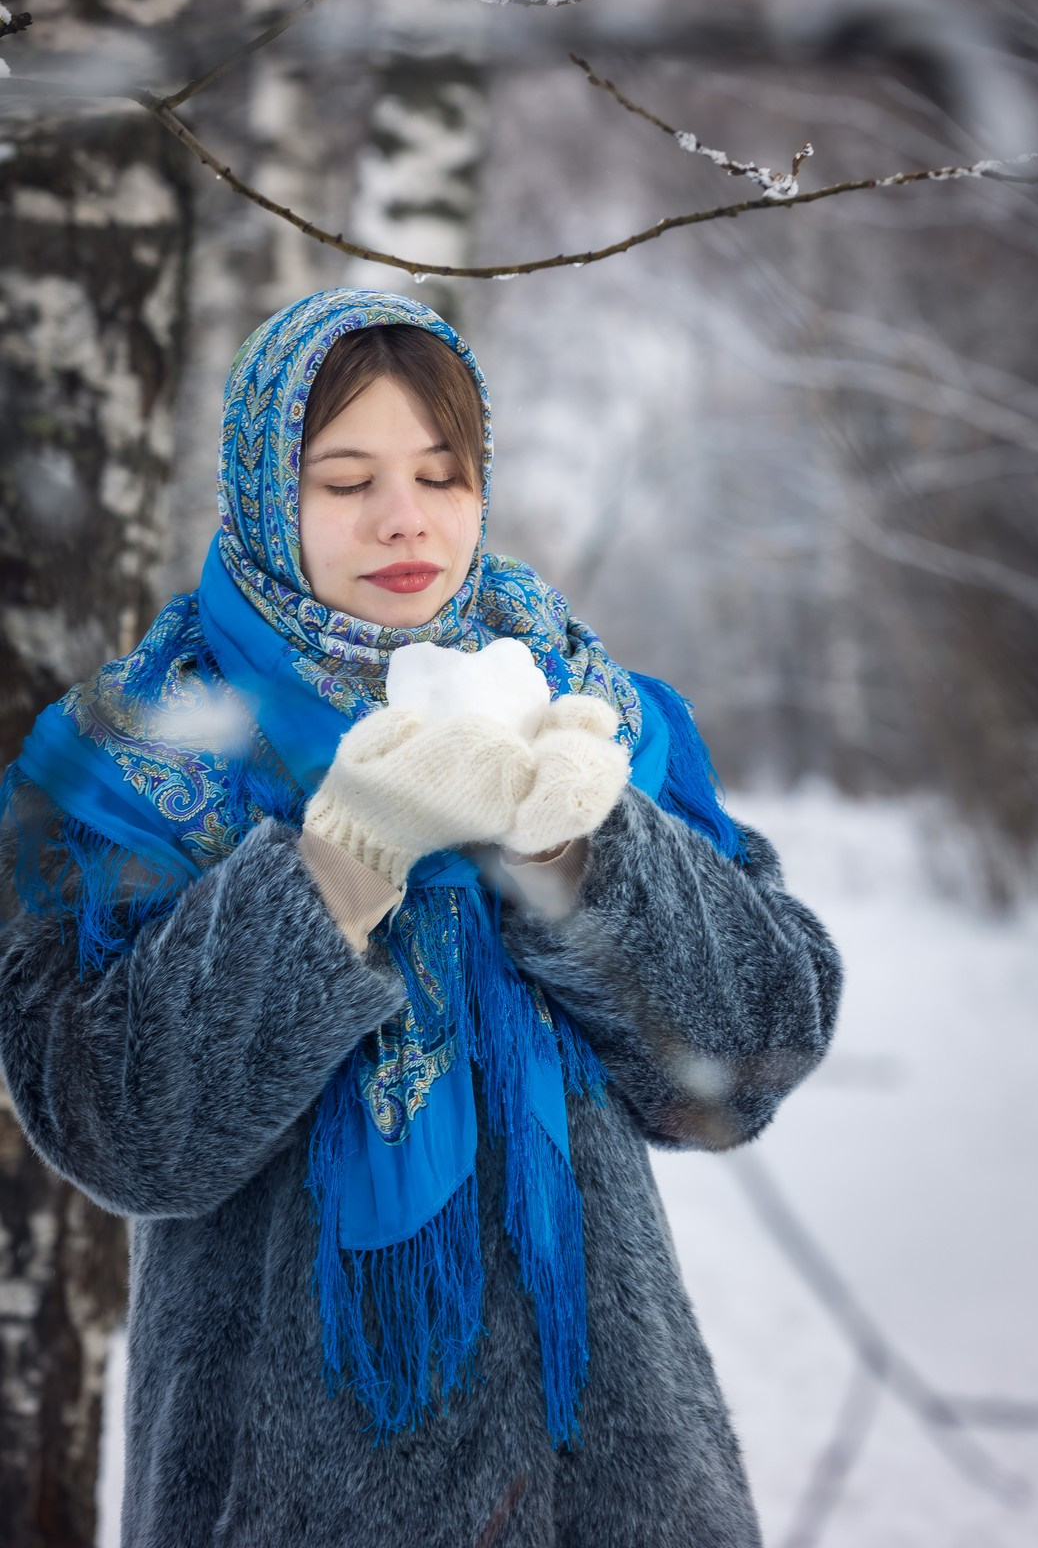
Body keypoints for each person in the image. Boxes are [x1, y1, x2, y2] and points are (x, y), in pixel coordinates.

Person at [0, 289, 843, 1548]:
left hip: (616, 1489)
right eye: (345, 480)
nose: (405, 519)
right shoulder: (134, 761)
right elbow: (116, 1126)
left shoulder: (583, 703)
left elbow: (748, 1057)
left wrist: (586, 847)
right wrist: (338, 865)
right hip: (279, 1497)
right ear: (259, 492)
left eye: (442, 474)